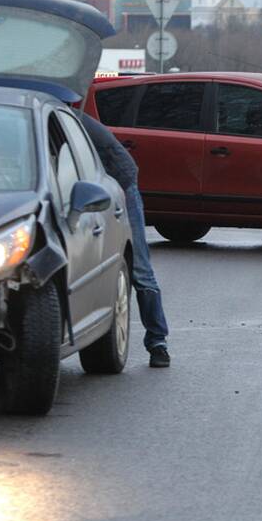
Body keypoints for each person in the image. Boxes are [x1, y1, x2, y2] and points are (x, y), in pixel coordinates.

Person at [80, 113, 172, 369]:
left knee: (140, 269)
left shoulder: (65, 122)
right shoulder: (67, 118)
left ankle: (158, 342)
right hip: (101, 183)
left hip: (121, 183)